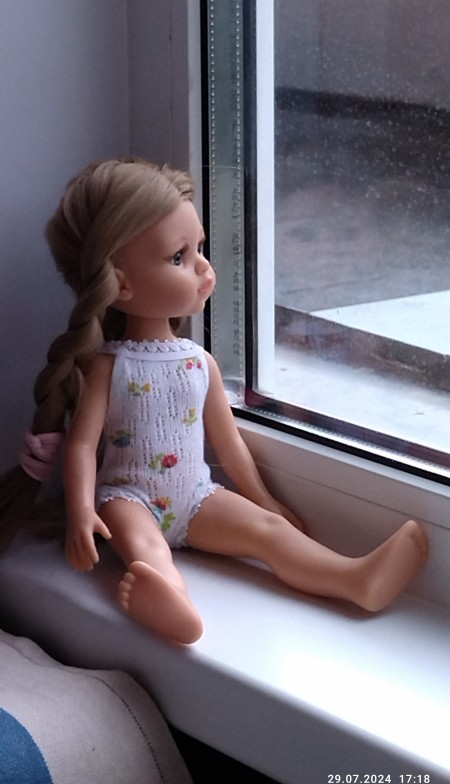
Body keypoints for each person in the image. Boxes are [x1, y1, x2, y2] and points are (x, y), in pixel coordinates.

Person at [0, 158, 428, 644]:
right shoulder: (109, 365)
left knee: (268, 532)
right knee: (145, 547)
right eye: (178, 257)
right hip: (127, 499)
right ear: (121, 283)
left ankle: (355, 579)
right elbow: (81, 447)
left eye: (200, 248)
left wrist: (265, 500)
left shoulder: (199, 362)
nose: (204, 267)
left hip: (197, 497)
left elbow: (230, 446)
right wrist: (82, 512)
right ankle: (171, 601)